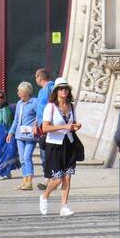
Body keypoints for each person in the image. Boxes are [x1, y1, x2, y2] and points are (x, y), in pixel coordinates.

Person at [39, 78, 82, 217]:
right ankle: (44, 196)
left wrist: (75, 126)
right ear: (56, 91)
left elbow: (71, 124)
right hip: (54, 145)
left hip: (69, 144)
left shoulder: (71, 106)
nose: (64, 90)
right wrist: (64, 126)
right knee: (57, 179)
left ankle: (64, 206)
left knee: (67, 178)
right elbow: (44, 128)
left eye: (66, 88)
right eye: (61, 88)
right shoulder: (50, 107)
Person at [7, 83, 39, 190]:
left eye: (19, 91)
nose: (18, 93)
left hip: (30, 136)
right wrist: (11, 132)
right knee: (22, 159)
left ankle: (29, 182)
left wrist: (36, 124)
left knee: (27, 157)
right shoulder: (19, 104)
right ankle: (25, 182)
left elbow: (40, 115)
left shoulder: (35, 102)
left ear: (25, 92)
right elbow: (16, 120)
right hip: (19, 135)